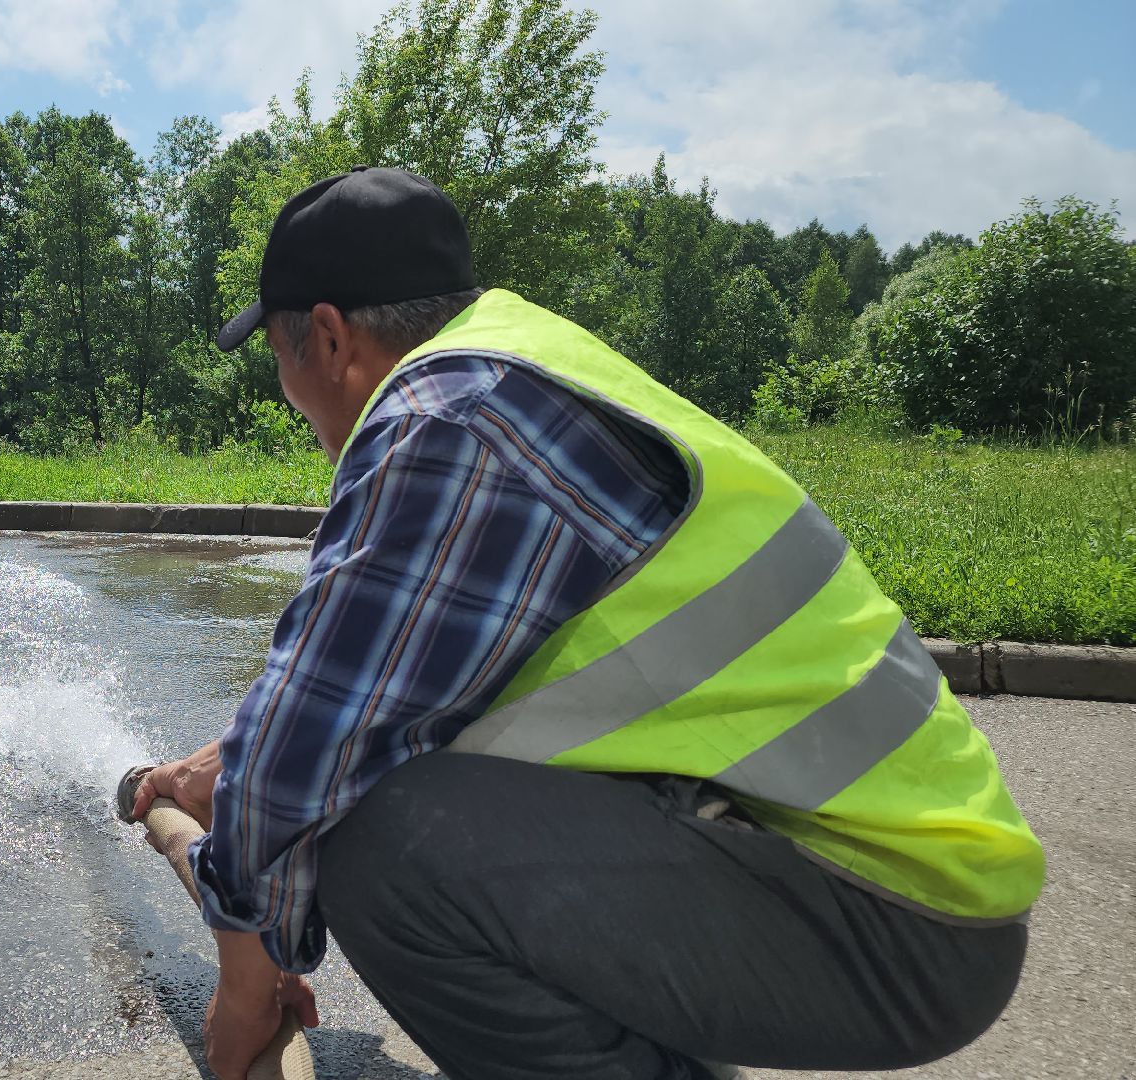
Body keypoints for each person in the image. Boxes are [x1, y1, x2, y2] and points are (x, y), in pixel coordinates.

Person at [129, 167, 1044, 1080]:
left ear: (327, 338)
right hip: (895, 882)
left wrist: (245, 987)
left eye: (282, 364)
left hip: (898, 930)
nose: (300, 410)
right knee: (367, 785)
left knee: (380, 845)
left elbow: (307, 754)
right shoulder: (523, 368)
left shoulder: (446, 420)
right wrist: (229, 766)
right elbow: (382, 695)